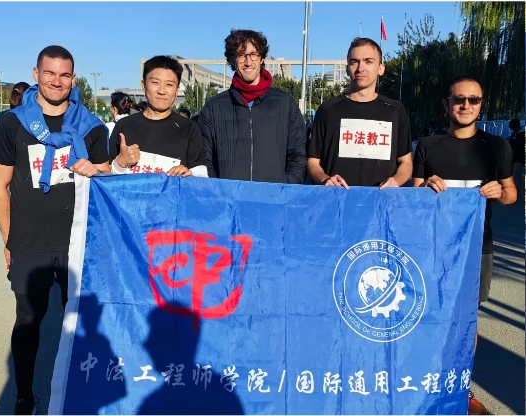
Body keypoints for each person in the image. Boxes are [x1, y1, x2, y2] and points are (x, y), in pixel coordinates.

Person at [0, 45, 110, 415]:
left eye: (65, 75)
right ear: (36, 74)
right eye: (49, 73)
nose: (57, 81)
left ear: (73, 79)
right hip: (30, 241)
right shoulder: (13, 123)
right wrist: (9, 240)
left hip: (78, 243)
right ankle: (25, 395)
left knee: (83, 326)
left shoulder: (91, 125)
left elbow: (107, 177)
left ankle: (78, 395)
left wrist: (97, 169)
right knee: (28, 321)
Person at [412, 75, 517, 415]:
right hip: (433, 247)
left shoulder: (497, 147)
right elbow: (413, 194)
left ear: (481, 105)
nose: (466, 105)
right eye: (459, 99)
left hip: (476, 247)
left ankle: (461, 385)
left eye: (474, 100)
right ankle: (423, 381)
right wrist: (425, 185)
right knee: (428, 316)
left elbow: (512, 193)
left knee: (466, 319)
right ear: (447, 104)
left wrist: (500, 192)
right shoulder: (428, 146)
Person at [198, 29, 306, 184]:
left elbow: (298, 156)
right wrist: (219, 192)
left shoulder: (285, 103)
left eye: (254, 54)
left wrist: (285, 189)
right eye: (241, 55)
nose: (248, 62)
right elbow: (206, 161)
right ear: (233, 60)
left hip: (274, 197)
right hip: (229, 198)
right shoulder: (213, 108)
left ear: (261, 58)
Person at [308, 37, 412, 189]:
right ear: (347, 68)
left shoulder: (395, 110)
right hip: (337, 200)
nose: (360, 68)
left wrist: (396, 181)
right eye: (354, 62)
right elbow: (312, 161)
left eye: (368, 61)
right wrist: (325, 179)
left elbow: (406, 162)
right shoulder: (328, 110)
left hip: (382, 200)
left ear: (381, 68)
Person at [109, 55, 207, 178]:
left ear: (177, 90)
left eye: (169, 85)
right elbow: (105, 177)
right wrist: (120, 164)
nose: (161, 91)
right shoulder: (123, 126)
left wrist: (189, 174)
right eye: (155, 82)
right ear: (143, 85)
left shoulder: (189, 128)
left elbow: (201, 176)